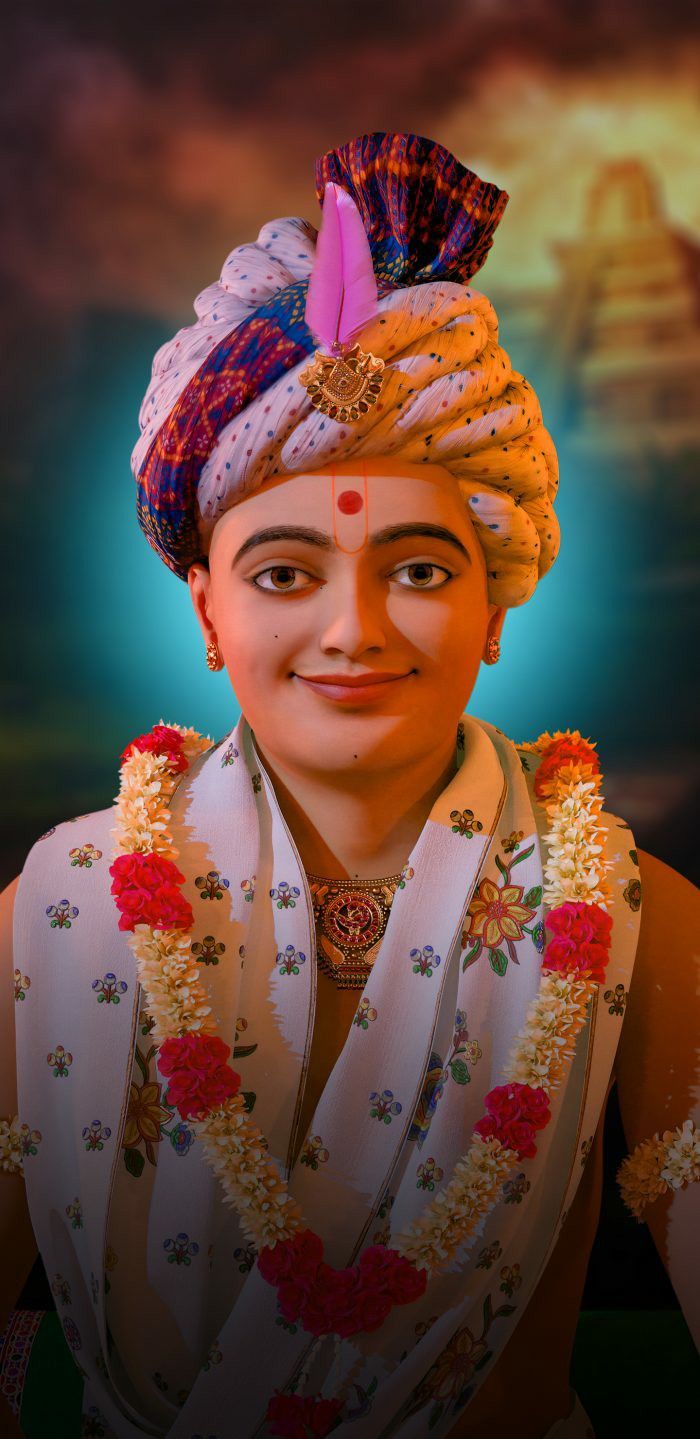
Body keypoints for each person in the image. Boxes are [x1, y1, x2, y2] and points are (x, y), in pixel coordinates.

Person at [1, 132, 697, 1439]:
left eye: (423, 570)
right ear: (205, 608)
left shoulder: (629, 912)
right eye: (282, 574)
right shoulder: (60, 915)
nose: (355, 626)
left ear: (498, 601)